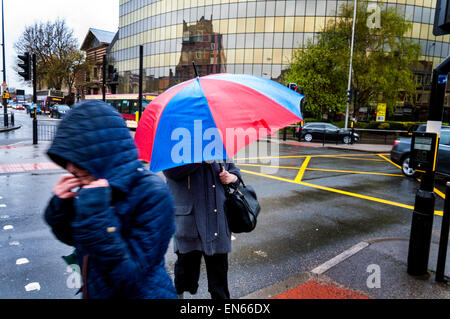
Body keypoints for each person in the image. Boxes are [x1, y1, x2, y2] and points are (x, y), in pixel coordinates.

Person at [44, 100, 177, 299]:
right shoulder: (95, 184)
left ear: (101, 153)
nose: (70, 168)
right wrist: (60, 207)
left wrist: (96, 214)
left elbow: (130, 276)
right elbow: (75, 238)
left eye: (77, 157)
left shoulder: (152, 192)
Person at [163, 161, 241, 299]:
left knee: (219, 281)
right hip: (189, 223)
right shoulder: (177, 146)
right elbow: (171, 173)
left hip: (218, 222)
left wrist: (231, 177)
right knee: (184, 274)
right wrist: (199, 160)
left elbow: (235, 173)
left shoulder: (216, 144)